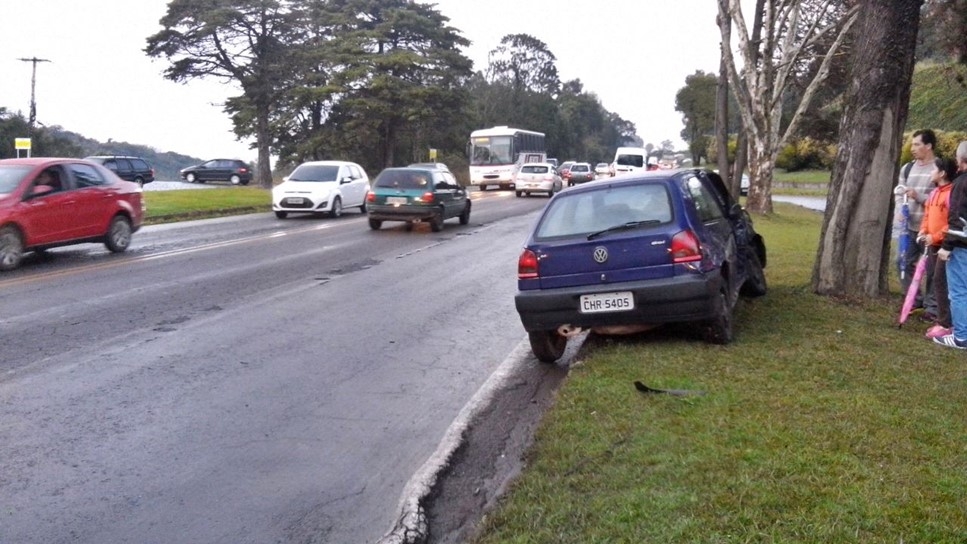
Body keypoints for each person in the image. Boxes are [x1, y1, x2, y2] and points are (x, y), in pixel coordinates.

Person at [898, 129, 939, 320]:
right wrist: (900, 210)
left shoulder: (938, 169)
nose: (912, 148)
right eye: (912, 144)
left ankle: (933, 308)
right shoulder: (907, 168)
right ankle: (914, 300)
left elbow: (943, 198)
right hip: (909, 227)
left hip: (930, 229)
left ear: (928, 146)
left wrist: (919, 196)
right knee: (901, 262)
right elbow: (899, 193)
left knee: (932, 269)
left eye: (917, 144)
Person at [919, 157, 957, 339]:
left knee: (943, 284)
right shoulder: (934, 193)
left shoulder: (952, 194)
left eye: (933, 169)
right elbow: (927, 215)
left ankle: (946, 323)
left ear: (942, 173)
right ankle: (944, 321)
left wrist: (935, 236)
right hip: (933, 246)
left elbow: (952, 223)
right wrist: (923, 232)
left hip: (947, 246)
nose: (930, 172)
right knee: (937, 282)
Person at [935, 141, 967, 348]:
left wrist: (947, 247)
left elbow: (957, 219)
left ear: (961, 160)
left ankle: (961, 336)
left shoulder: (961, 183)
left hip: (962, 246)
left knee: (958, 291)